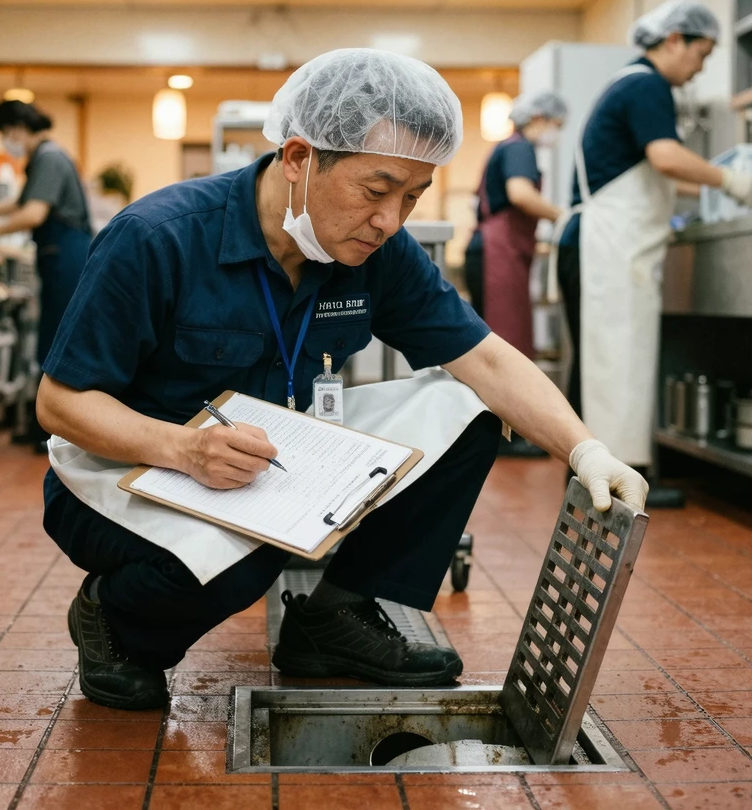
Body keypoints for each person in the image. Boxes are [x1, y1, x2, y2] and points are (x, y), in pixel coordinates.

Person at [35, 48, 648, 711]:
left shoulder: (374, 253)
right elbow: (61, 402)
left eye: (412, 197)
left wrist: (586, 449)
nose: (391, 220)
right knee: (250, 556)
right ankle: (114, 621)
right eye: (376, 190)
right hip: (119, 472)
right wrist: (182, 449)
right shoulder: (159, 237)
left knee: (467, 409)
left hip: (259, 460)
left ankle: (334, 618)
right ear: (299, 159)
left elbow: (488, 360)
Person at [556, 0, 752, 504]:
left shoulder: (625, 83)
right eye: (701, 53)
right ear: (673, 39)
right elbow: (666, 157)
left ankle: (599, 478)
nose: (700, 68)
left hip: (601, 243)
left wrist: (718, 187)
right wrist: (731, 179)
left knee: (605, 363)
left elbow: (649, 175)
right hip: (607, 247)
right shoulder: (647, 84)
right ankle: (618, 480)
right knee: (613, 362)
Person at [0, 100, 93, 450]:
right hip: (61, 256)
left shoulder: (48, 156)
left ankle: (51, 429)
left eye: (3, 133)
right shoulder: (49, 157)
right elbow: (21, 202)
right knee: (53, 337)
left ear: (17, 127)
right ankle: (48, 426)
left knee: (55, 342)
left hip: (66, 256)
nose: (5, 142)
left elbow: (32, 213)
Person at [464, 90, 568, 456]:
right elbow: (520, 194)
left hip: (497, 248)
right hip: (498, 251)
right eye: (556, 125)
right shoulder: (520, 147)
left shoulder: (505, 147)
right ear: (539, 117)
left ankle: (506, 429)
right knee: (506, 344)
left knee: (503, 340)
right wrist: (564, 217)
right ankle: (507, 436)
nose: (555, 133)